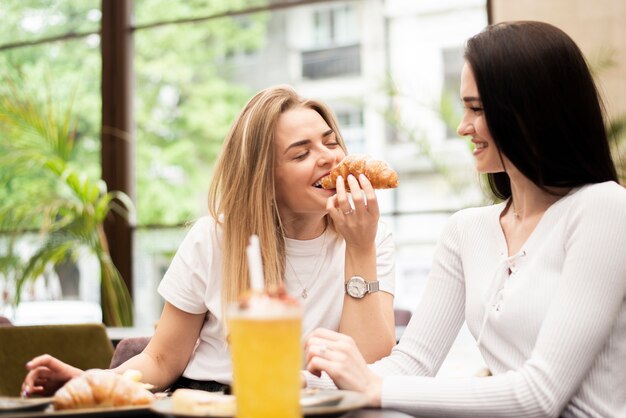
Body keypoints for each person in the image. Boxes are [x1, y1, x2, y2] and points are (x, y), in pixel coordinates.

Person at [304, 21, 626, 418]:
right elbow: (412, 365)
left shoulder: (604, 209)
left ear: (528, 109)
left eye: (476, 108)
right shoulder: (467, 230)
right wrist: (306, 378)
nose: (462, 127)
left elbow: (539, 396)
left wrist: (373, 387)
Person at [21, 85, 397, 396]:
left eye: (331, 143)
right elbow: (163, 359)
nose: (329, 159)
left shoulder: (370, 236)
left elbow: (369, 363)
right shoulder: (213, 238)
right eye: (301, 153)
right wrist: (91, 382)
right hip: (209, 400)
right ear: (264, 179)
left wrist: (361, 247)